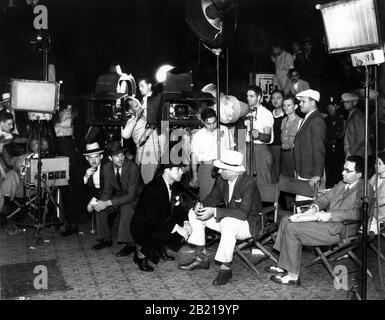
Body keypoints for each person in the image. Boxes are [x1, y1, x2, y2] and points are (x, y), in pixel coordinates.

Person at [266, 156, 374, 285]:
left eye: (347, 170)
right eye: (343, 169)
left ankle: (292, 276)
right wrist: (314, 207)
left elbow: (359, 213)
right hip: (330, 224)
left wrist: (330, 215)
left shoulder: (365, 190)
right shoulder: (342, 184)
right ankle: (283, 265)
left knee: (292, 228)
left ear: (359, 174)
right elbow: (325, 198)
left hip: (342, 229)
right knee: (286, 220)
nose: (342, 172)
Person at [179, 150, 262, 285]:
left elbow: (242, 214)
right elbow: (212, 198)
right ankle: (202, 259)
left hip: (248, 224)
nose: (218, 172)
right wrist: (200, 205)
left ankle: (226, 269)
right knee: (194, 214)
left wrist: (214, 211)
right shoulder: (222, 180)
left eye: (222, 169)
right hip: (227, 218)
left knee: (228, 224)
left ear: (232, 170)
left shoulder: (248, 184)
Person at [131, 160, 192, 272]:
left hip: (161, 220)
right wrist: (177, 228)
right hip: (144, 225)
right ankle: (140, 254)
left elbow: (180, 208)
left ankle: (160, 248)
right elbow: (152, 219)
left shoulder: (175, 184)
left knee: (179, 225)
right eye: (177, 169)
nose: (181, 172)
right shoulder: (153, 188)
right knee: (166, 230)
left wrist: (185, 222)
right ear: (167, 170)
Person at [91, 141, 143, 256]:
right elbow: (107, 191)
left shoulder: (132, 167)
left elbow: (130, 196)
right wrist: (100, 203)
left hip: (136, 196)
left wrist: (108, 202)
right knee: (100, 208)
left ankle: (129, 244)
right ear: (110, 158)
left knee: (126, 208)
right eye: (116, 156)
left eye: (122, 155)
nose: (120, 159)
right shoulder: (107, 167)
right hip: (120, 195)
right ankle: (106, 239)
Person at [189, 108, 235, 200]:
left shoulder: (225, 130)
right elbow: (194, 157)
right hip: (207, 168)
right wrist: (194, 175)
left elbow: (231, 150)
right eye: (208, 124)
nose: (212, 126)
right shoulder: (198, 136)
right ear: (202, 121)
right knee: (206, 199)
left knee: (227, 198)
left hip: (223, 167)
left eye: (214, 122)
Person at [121, 97, 160, 184]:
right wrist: (136, 118)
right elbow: (125, 135)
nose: (139, 107)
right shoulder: (131, 121)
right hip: (146, 154)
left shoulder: (147, 117)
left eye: (139, 104)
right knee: (148, 183)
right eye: (136, 106)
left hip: (154, 153)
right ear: (131, 111)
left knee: (153, 182)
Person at [294, 89, 326, 190]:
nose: (300, 104)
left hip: (310, 173)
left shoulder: (316, 120)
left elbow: (318, 149)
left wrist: (317, 175)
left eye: (303, 101)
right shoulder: (308, 118)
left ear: (313, 102)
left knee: (307, 203)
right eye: (300, 101)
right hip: (303, 170)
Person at [244, 85, 274, 184]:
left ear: (259, 97)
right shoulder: (247, 112)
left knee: (263, 182)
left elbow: (267, 137)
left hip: (260, 150)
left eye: (251, 96)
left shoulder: (266, 114)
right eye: (247, 96)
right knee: (249, 181)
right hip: (248, 148)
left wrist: (259, 135)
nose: (248, 98)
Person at [342, 92, 370, 158]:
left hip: (358, 153)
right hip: (355, 153)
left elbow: (362, 137)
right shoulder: (352, 114)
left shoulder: (357, 115)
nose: (344, 104)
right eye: (344, 102)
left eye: (347, 102)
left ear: (354, 103)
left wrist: (351, 152)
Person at [324, 100, 345, 188]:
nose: (330, 108)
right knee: (329, 172)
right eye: (329, 106)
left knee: (338, 173)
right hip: (328, 148)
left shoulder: (341, 119)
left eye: (333, 106)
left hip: (338, 149)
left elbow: (339, 134)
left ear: (337, 107)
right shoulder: (325, 119)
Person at [280, 95, 302, 178]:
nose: (286, 108)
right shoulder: (283, 121)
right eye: (284, 105)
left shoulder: (300, 121)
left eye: (289, 105)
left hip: (293, 154)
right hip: (283, 153)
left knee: (294, 180)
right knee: (285, 180)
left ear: (295, 106)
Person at [269, 90, 285, 183]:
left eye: (278, 98)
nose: (275, 100)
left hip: (281, 149)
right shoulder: (268, 115)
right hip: (268, 148)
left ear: (283, 100)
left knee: (280, 175)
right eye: (273, 98)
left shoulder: (286, 116)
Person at [369, 151, 385, 234]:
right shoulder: (375, 176)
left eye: (379, 163)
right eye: (375, 163)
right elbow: (366, 189)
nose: (376, 166)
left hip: (381, 218)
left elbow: (382, 201)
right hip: (370, 214)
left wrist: (367, 203)